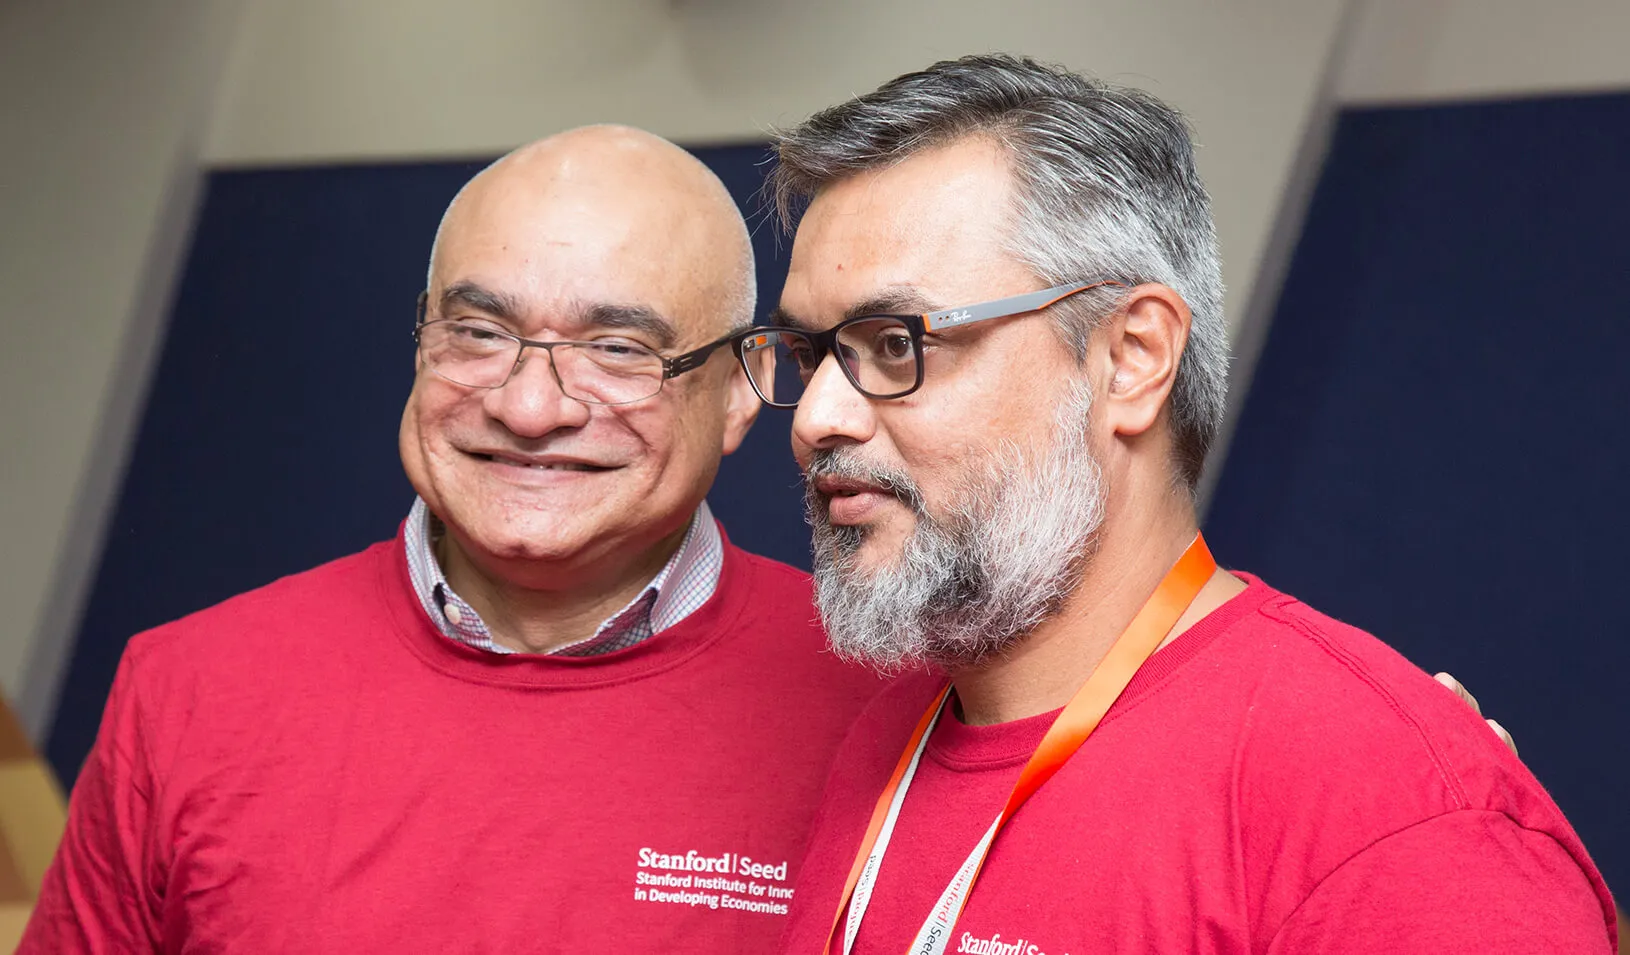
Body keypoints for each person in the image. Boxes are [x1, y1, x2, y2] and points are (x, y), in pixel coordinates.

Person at [743, 55, 1619, 953]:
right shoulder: (882, 740)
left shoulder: (1388, 813)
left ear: (1130, 358)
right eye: (811, 355)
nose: (815, 419)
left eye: (895, 343)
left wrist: (1423, 804)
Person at [21, 126, 883, 953]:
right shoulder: (186, 688)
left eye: (618, 349)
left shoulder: (884, 702)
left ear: (743, 387)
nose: (529, 408)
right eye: (478, 333)